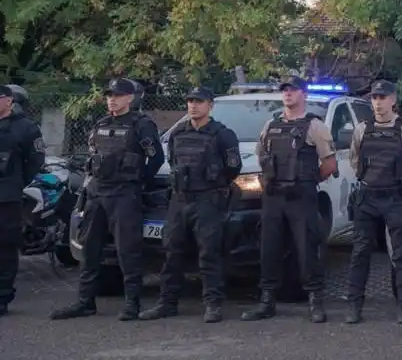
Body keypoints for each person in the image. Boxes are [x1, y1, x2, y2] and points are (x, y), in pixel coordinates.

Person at [51, 77, 163, 321]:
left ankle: (132, 304)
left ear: (129, 98)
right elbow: (94, 156)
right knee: (89, 250)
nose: (112, 99)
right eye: (109, 95)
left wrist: (137, 180)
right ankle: (85, 302)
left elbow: (156, 159)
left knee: (127, 251)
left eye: (117, 95)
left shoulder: (141, 124)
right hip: (97, 193)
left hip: (123, 195)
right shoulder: (101, 123)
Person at [138, 87, 241, 323]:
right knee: (172, 253)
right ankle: (167, 303)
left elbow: (233, 167)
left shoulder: (223, 134)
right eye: (190, 101)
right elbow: (173, 161)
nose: (193, 105)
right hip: (180, 199)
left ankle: (213, 304)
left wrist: (213, 186)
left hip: (207, 200)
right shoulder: (178, 132)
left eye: (199, 101)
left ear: (210, 105)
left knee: (209, 254)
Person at [241, 76, 338, 323]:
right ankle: (267, 302)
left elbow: (329, 164)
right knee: (269, 249)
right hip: (274, 196)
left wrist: (307, 180)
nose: (287, 94)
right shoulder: (271, 125)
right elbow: (262, 155)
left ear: (304, 94)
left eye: (293, 90)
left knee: (307, 250)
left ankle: (315, 302)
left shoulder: (314, 126)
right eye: (284, 90)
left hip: (301, 197)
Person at [345, 79, 402, 325]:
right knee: (360, 252)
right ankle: (354, 306)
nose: (378, 103)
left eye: (382, 98)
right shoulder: (362, 129)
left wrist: (401, 183)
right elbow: (355, 160)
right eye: (374, 98)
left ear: (393, 100)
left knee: (401, 254)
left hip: (395, 198)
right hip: (368, 197)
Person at [0, 84, 46, 317]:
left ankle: (2, 297)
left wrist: (16, 183)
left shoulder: (26, 127)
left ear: (9, 101)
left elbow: (36, 160)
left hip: (7, 196)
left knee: (5, 246)